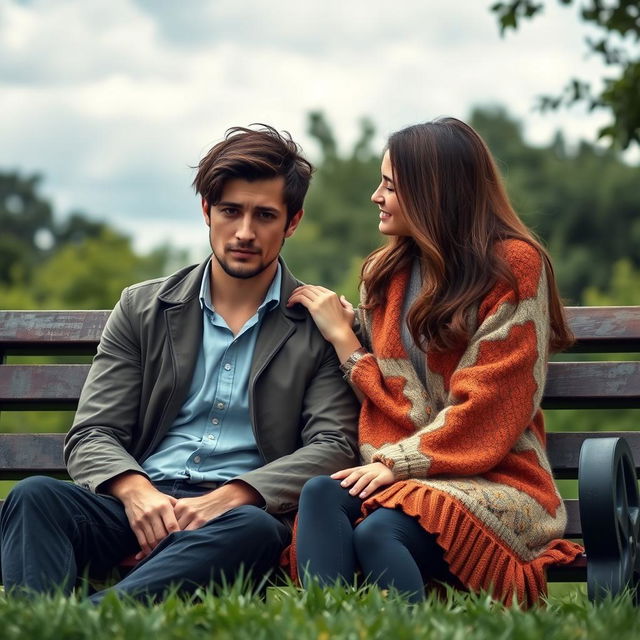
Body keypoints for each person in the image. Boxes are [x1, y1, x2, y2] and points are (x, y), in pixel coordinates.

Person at [0, 125, 359, 602]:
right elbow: (92, 432)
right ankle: (58, 619)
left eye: (265, 215)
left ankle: (80, 621)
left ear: (292, 222)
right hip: (140, 507)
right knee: (34, 497)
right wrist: (134, 491)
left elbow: (333, 445)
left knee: (253, 530)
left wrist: (234, 494)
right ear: (207, 211)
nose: (245, 232)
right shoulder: (143, 307)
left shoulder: (316, 323)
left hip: (234, 521)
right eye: (231, 211)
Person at [287, 117, 583, 607]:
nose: (375, 197)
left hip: (498, 479)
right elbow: (398, 395)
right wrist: (345, 334)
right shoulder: (385, 275)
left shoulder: (514, 266)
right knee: (321, 495)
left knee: (381, 530)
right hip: (406, 472)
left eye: (389, 186)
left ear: (433, 194)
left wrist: (397, 463)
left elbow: (491, 408)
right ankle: (326, 627)